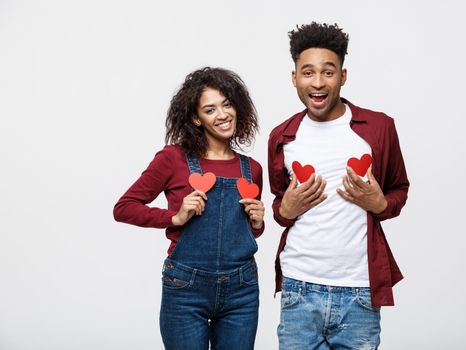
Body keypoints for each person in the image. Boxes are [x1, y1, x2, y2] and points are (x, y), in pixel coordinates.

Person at [267, 22, 409, 349]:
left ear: (343, 76)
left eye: (328, 72)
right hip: (299, 287)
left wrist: (379, 205)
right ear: (294, 78)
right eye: (308, 72)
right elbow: (278, 205)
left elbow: (399, 188)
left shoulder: (379, 128)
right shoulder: (282, 136)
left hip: (360, 290)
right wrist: (285, 211)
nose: (317, 82)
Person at [114, 67, 265, 350]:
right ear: (196, 118)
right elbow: (124, 207)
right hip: (186, 287)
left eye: (227, 104)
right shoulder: (173, 159)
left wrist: (257, 223)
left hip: (241, 288)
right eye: (210, 110)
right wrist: (175, 216)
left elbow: (244, 233)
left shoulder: (252, 168)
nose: (222, 115)